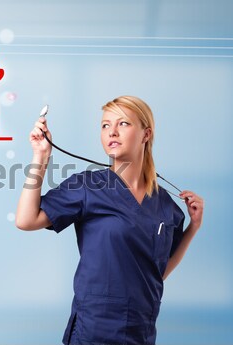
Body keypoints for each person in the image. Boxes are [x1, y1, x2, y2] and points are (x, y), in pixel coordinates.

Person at [15, 96, 204, 345]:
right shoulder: (87, 186)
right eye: (105, 125)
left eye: (123, 123)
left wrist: (193, 228)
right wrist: (40, 157)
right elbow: (26, 220)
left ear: (146, 134)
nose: (112, 132)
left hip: (141, 331)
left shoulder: (167, 206)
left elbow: (155, 274)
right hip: (93, 330)